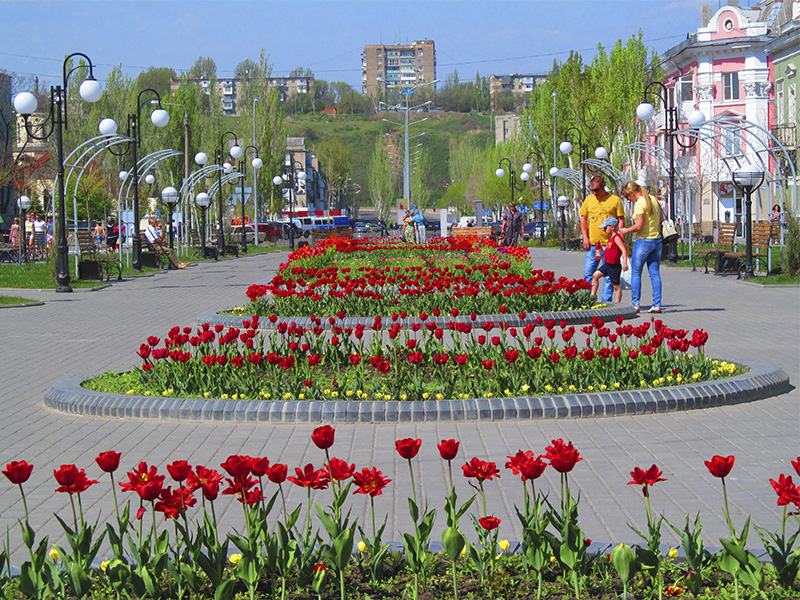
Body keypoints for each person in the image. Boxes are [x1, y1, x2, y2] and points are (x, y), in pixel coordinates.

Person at [579, 175, 625, 301]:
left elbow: (621, 220)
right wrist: (585, 237)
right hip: (594, 244)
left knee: (609, 276)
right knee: (589, 274)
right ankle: (587, 300)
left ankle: (606, 302)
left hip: (611, 246)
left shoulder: (615, 200)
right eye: (592, 190)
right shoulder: (589, 199)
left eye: (597, 190)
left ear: (603, 186)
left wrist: (621, 237)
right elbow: (583, 218)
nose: (594, 193)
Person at [619, 181, 662, 313]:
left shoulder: (640, 203)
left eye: (627, 197)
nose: (628, 200)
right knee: (655, 274)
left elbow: (639, 226)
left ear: (632, 193)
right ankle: (657, 304)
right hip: (657, 240)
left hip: (643, 241)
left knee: (636, 273)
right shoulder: (653, 199)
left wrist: (625, 231)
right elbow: (660, 219)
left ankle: (635, 304)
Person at [591, 217, 628, 303]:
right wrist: (601, 247)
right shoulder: (610, 239)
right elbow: (609, 250)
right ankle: (593, 296)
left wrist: (625, 263)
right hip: (607, 264)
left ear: (612, 227)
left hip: (614, 266)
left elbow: (623, 249)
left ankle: (618, 303)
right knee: (595, 276)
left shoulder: (616, 238)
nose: (604, 230)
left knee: (616, 286)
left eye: (605, 228)